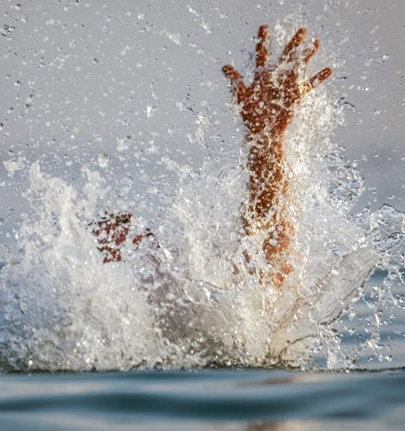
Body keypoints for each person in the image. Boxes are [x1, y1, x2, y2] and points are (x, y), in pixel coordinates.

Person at [92, 25, 332, 289]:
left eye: (132, 241)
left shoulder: (182, 279)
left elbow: (266, 272)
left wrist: (266, 143)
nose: (122, 251)